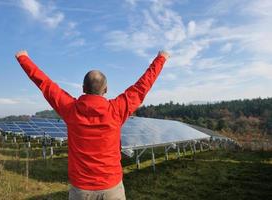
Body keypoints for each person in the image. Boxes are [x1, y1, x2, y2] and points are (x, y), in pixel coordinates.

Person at [15, 50, 170, 200]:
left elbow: (46, 84)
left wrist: (23, 58)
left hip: (81, 190)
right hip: (111, 188)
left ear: (83, 89)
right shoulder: (116, 110)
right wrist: (160, 59)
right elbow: (142, 87)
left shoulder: (70, 109)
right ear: (106, 89)